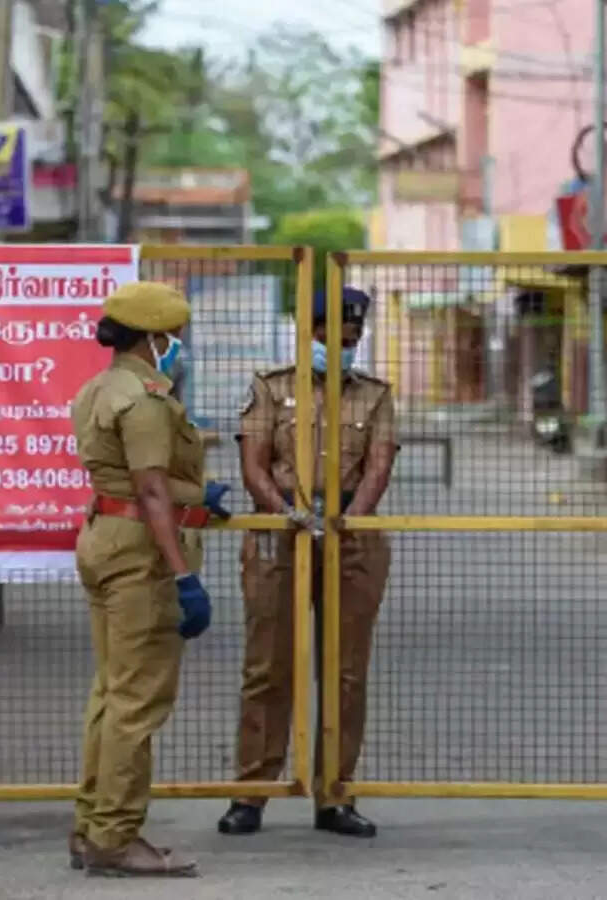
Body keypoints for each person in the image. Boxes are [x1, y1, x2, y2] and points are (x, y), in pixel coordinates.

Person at [68, 281, 233, 877]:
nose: (179, 348)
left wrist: (198, 495)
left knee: (111, 693)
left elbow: (122, 478)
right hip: (140, 551)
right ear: (155, 339)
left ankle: (91, 825)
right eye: (175, 339)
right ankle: (115, 838)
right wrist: (183, 575)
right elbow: (151, 488)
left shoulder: (97, 389)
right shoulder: (144, 400)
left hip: (104, 537)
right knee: (137, 702)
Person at [219, 287, 397, 838]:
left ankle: (334, 794)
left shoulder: (374, 395)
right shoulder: (270, 389)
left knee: (345, 672)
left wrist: (347, 521)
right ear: (306, 334)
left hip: (352, 538)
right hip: (280, 536)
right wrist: (290, 513)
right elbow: (253, 465)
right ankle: (253, 793)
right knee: (267, 667)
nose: (340, 347)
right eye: (328, 337)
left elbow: (378, 464)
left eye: (350, 339)